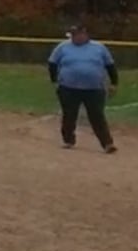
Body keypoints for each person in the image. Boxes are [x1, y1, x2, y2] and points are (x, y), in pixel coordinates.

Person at [49, 23, 119, 153]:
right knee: (69, 114)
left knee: (97, 115)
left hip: (94, 89)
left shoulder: (99, 48)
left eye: (77, 34)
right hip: (68, 88)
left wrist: (114, 83)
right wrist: (54, 81)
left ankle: (107, 143)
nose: (75, 38)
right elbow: (52, 63)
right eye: (73, 35)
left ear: (85, 34)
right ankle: (68, 140)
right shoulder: (63, 47)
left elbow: (110, 66)